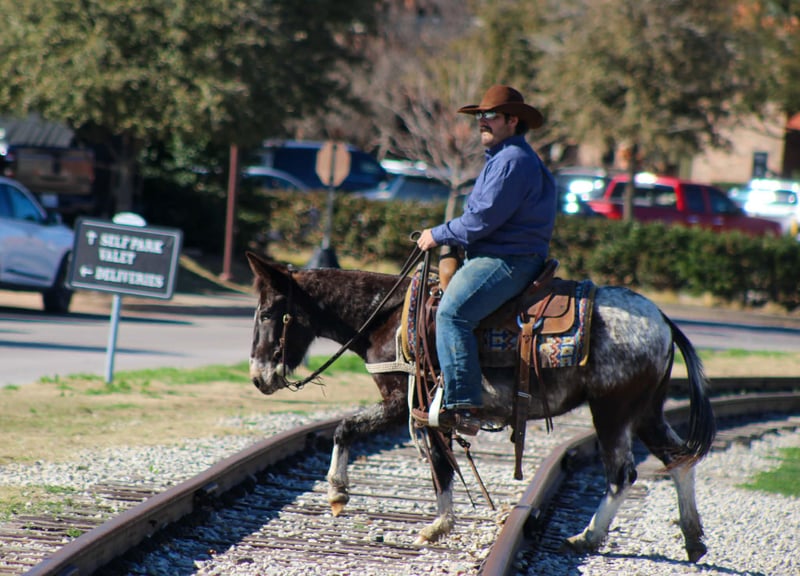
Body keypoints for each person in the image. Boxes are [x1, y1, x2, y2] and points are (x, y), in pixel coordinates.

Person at [411, 84, 557, 435]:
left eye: (489, 115)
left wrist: (437, 234)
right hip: (506, 255)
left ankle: (463, 406)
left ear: (512, 120)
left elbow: (480, 221)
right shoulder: (507, 158)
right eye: (479, 115)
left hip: (507, 259)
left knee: (452, 314)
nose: (481, 121)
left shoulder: (512, 161)